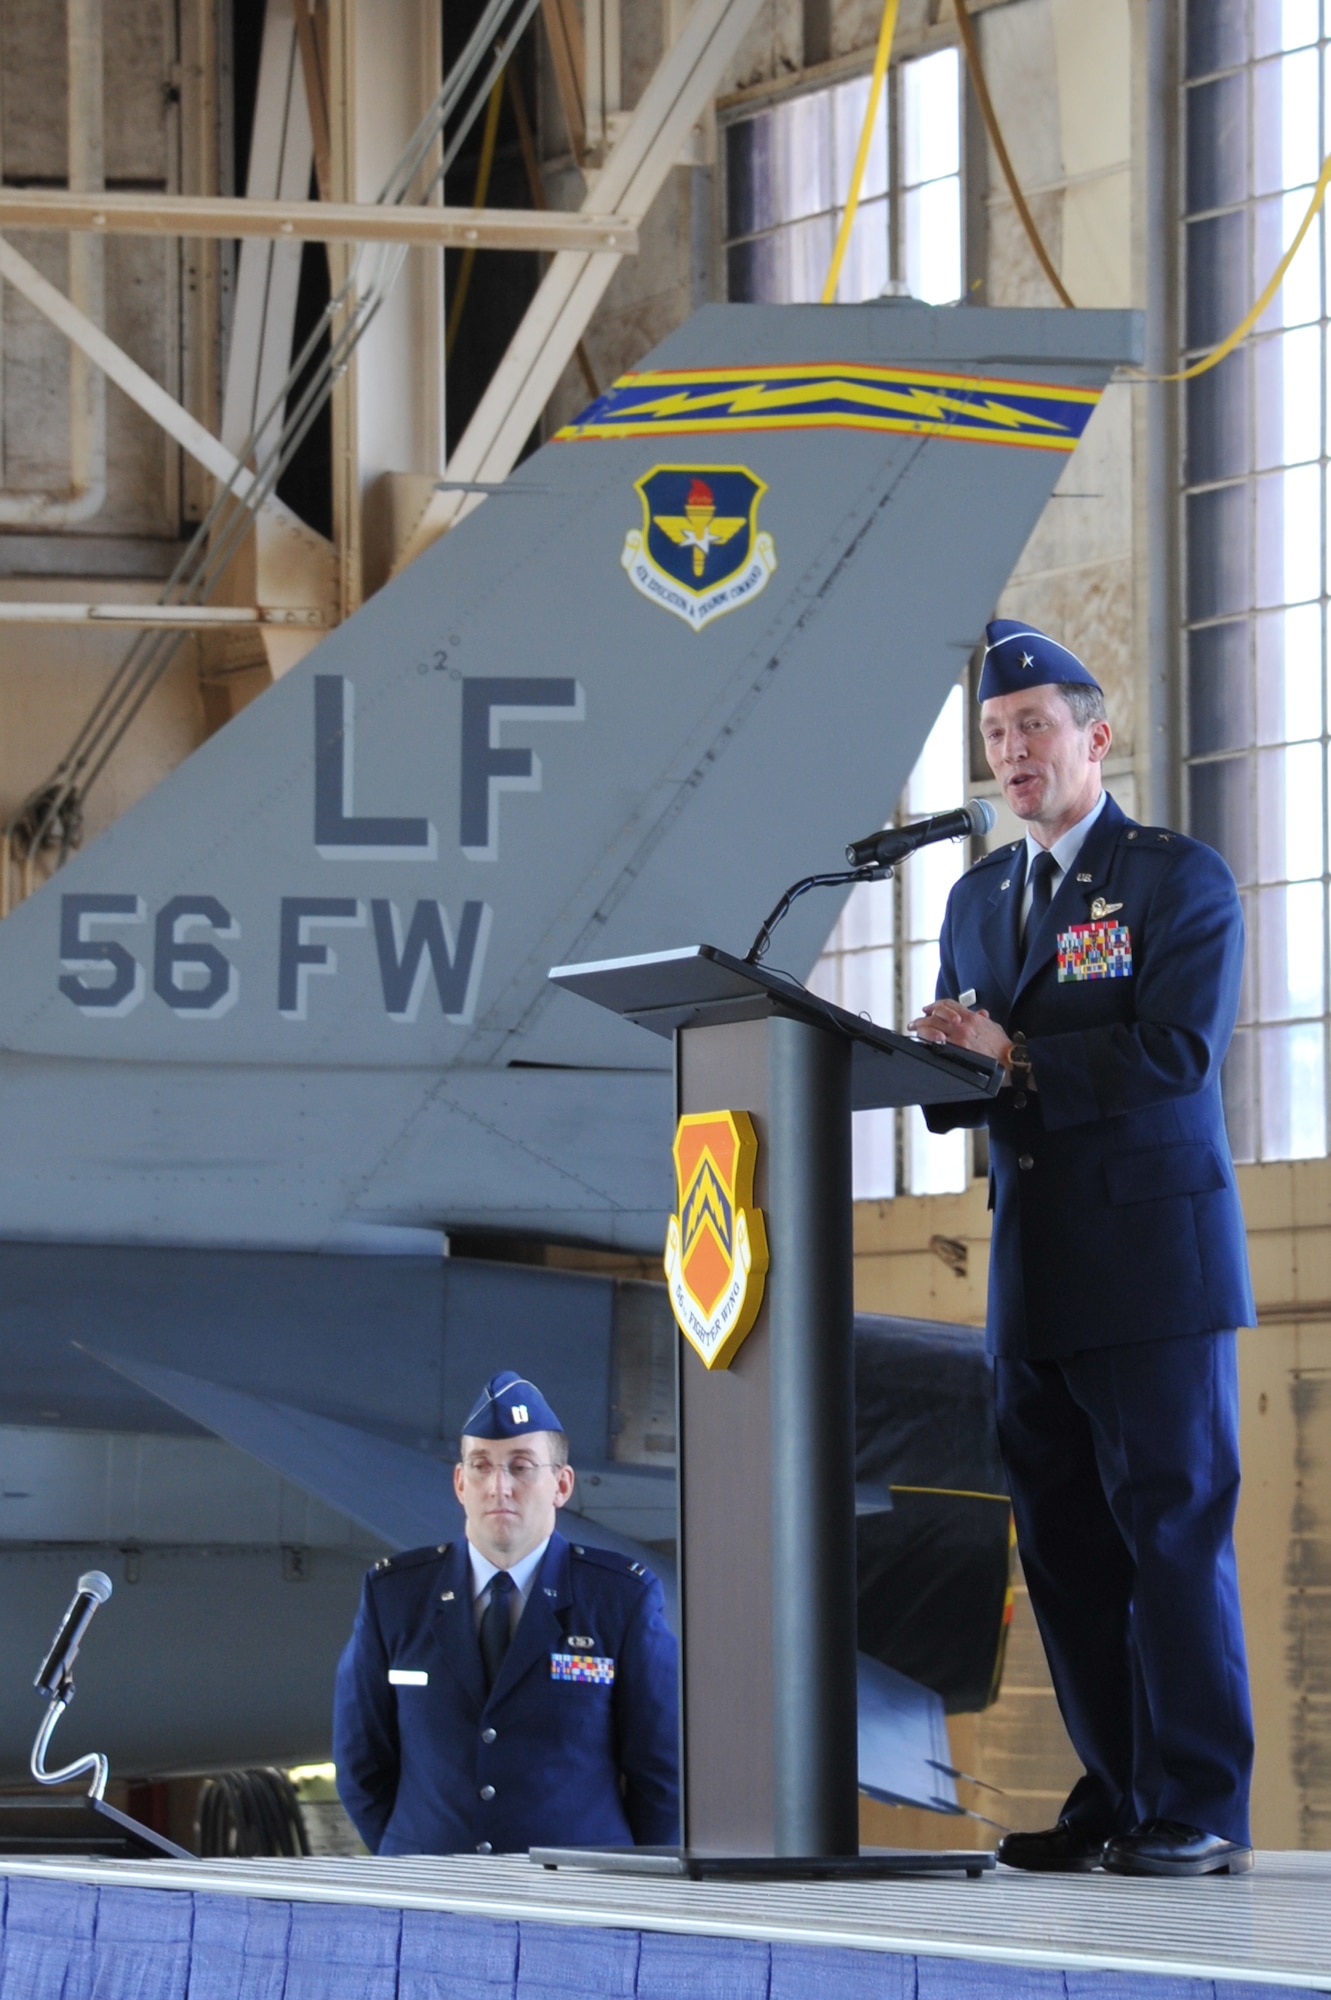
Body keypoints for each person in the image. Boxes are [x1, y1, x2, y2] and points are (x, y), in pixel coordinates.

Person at [909, 619, 1256, 1879]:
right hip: (1033, 1275)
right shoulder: (976, 896)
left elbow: (1175, 1055)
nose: (1011, 752)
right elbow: (971, 1092)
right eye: (994, 737)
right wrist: (939, 1053)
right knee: (1062, 1546)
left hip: (1152, 1268)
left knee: (1169, 1532)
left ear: (1092, 736)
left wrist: (1016, 1057)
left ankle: (1200, 1799)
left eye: (1032, 727)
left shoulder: (1173, 879)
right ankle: (1115, 1789)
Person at [332, 1369, 679, 1856]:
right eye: (481, 1465)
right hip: (431, 1893)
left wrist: (620, 1881)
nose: (499, 1486)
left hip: (574, 1902)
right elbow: (361, 1767)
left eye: (521, 1466)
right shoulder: (395, 1596)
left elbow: (663, 1779)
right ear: (459, 1482)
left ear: (561, 1484)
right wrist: (415, 1857)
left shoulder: (619, 1600)